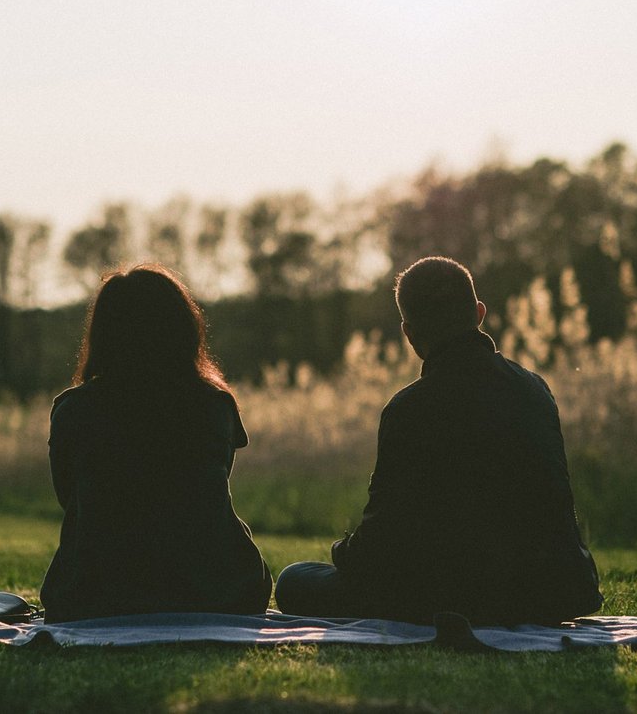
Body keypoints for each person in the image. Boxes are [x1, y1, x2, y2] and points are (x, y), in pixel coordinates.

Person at [275, 256, 602, 625]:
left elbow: (383, 540)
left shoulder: (409, 409)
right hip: (556, 591)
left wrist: (344, 552)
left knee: (295, 579)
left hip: (459, 595)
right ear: (479, 313)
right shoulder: (536, 390)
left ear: (410, 333)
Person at [40, 263, 272, 622]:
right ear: (184, 330)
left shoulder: (74, 409)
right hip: (220, 591)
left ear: (102, 334)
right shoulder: (215, 405)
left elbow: (68, 497)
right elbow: (209, 487)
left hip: (95, 595)